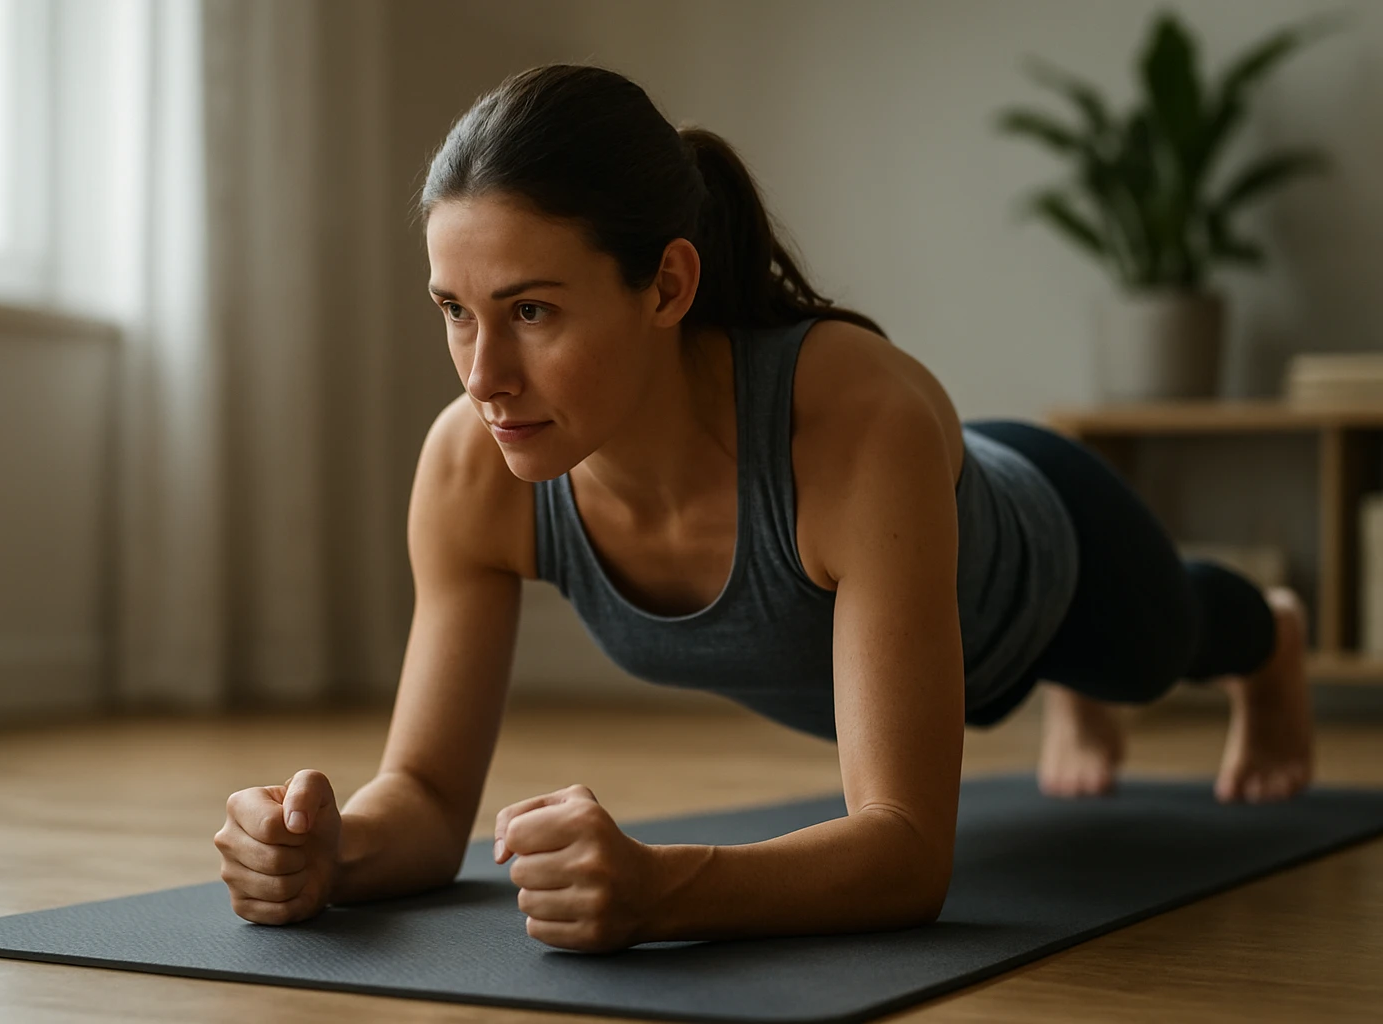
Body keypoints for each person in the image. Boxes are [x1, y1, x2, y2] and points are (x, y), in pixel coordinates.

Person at [214, 63, 1314, 953]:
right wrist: (330, 850)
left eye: (532, 309)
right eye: (455, 310)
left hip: (1049, 554)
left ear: (669, 286)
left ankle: (1270, 640)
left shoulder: (853, 423)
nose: (482, 373)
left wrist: (660, 890)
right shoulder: (472, 468)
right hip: (925, 605)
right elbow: (424, 792)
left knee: (1159, 645)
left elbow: (909, 847)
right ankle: (1079, 704)